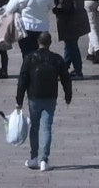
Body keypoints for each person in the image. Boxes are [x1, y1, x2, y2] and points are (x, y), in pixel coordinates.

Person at [15, 29, 72, 173]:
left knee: (34, 127)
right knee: (47, 127)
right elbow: (66, 78)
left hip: (34, 96)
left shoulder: (29, 58)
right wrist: (68, 95)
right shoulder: (57, 59)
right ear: (50, 43)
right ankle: (44, 160)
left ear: (38, 42)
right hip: (50, 96)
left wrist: (19, 100)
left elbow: (22, 79)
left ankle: (34, 157)